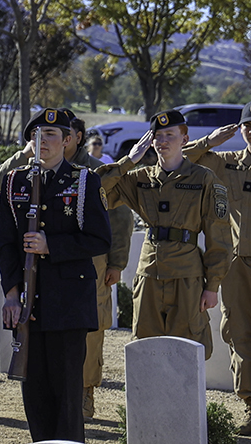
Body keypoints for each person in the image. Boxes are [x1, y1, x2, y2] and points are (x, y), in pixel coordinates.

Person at [0, 109, 133, 420]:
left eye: (52, 134)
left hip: (69, 304)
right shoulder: (15, 182)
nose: (43, 140)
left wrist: (50, 245)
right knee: (36, 397)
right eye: (37, 134)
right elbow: (4, 243)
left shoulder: (84, 182)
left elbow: (99, 239)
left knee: (68, 397)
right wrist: (11, 294)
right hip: (30, 302)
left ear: (68, 140)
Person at [97, 111, 229, 358]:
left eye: (170, 135)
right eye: (158, 136)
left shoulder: (204, 179)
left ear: (185, 139)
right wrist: (129, 161)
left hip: (187, 274)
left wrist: (212, 286)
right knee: (145, 347)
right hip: (149, 273)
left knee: (187, 347)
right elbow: (95, 193)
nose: (163, 141)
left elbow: (219, 235)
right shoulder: (139, 178)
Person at [181, 107, 251, 435]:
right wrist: (209, 140)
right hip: (238, 264)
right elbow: (182, 161)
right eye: (248, 126)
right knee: (239, 333)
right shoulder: (229, 162)